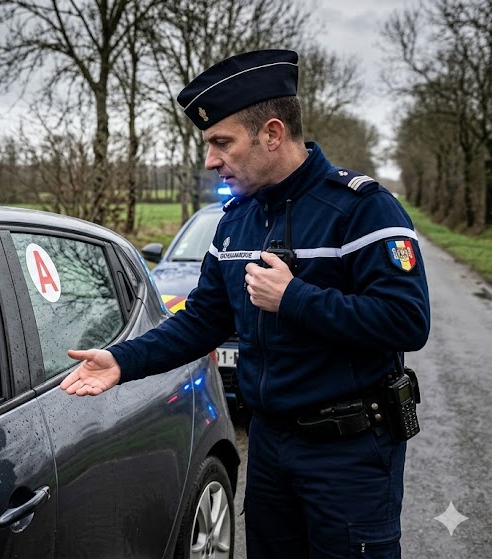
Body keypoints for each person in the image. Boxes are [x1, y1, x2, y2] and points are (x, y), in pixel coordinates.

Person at [61, 49, 430, 558]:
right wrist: (124, 359)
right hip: (270, 448)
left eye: (221, 143)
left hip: (351, 453)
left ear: (272, 134)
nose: (211, 160)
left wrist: (294, 297)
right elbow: (204, 320)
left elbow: (408, 321)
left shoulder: (361, 209)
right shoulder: (234, 221)